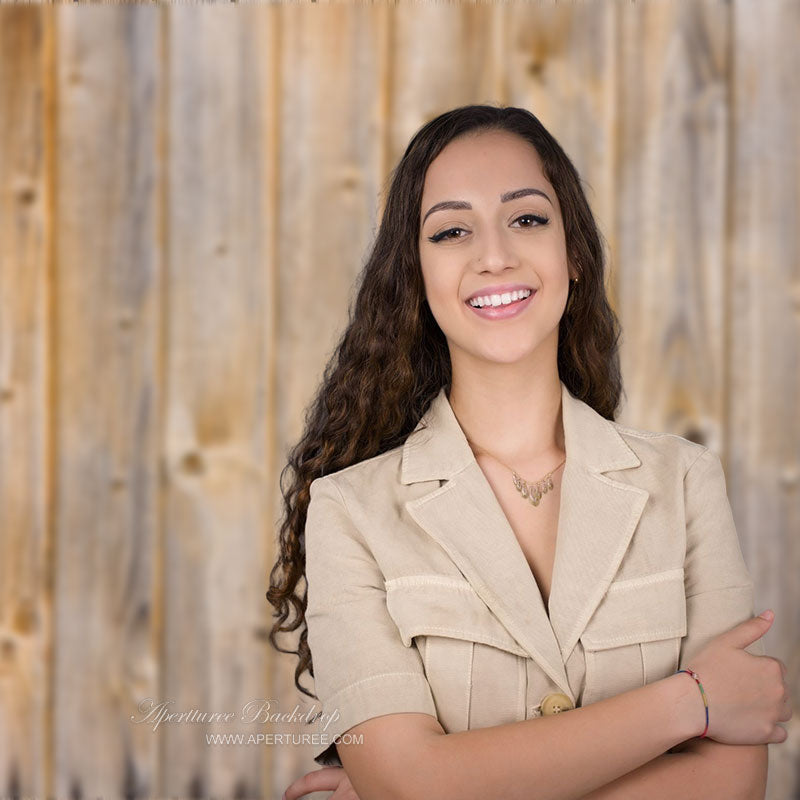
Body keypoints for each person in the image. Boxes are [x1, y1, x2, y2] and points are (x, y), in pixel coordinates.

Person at [267, 104, 792, 800]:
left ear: (571, 251)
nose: (494, 255)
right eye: (452, 231)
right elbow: (410, 785)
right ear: (415, 276)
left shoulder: (686, 483)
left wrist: (438, 785)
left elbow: (731, 786)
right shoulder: (348, 513)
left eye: (527, 218)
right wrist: (690, 703)